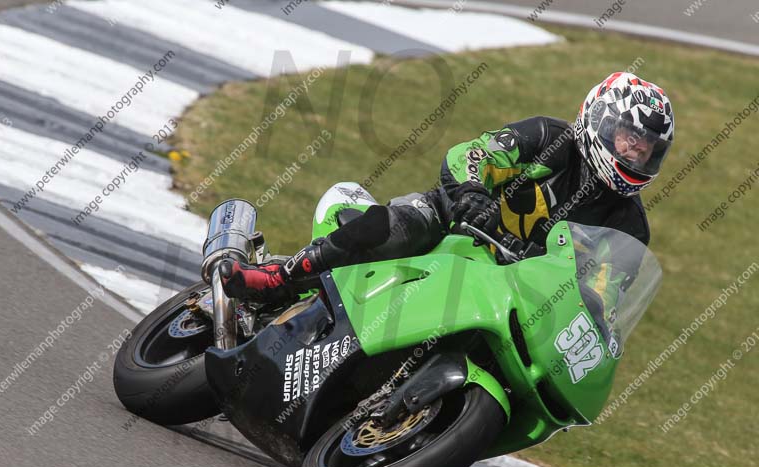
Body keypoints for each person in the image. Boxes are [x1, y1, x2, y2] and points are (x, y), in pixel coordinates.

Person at [220, 72, 674, 304]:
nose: (635, 154)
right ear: (600, 120)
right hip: (455, 223)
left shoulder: (629, 227)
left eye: (647, 148)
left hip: (513, 288)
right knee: (388, 227)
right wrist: (473, 192)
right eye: (628, 139)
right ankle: (278, 278)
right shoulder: (549, 137)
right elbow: (473, 154)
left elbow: (606, 295)